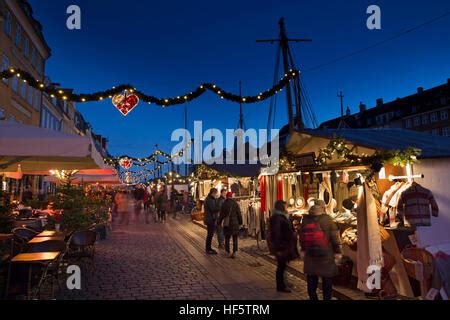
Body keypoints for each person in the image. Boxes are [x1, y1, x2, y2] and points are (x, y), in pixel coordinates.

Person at [299, 200, 342, 300]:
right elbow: (334, 237)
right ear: (323, 208)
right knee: (326, 279)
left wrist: (303, 249)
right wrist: (338, 252)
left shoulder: (306, 219)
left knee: (311, 278)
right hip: (325, 255)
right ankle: (327, 298)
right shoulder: (327, 219)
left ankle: (313, 298)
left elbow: (302, 236)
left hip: (310, 254)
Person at [268, 200, 298, 293]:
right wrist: (279, 247)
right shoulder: (278, 217)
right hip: (282, 245)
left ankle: (283, 283)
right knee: (281, 266)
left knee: (282, 266)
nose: (287, 208)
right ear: (282, 207)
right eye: (285, 206)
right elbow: (277, 233)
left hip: (284, 245)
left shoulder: (281, 216)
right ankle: (281, 286)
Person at [218, 192, 243, 258]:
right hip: (235, 223)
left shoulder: (224, 204)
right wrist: (240, 223)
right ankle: (234, 252)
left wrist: (219, 222)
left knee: (227, 238)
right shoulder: (235, 203)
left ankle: (228, 252)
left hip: (227, 224)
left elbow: (221, 215)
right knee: (235, 238)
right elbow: (239, 214)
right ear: (231, 196)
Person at [203, 188, 220, 255]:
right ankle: (208, 249)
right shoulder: (210, 199)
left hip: (210, 218)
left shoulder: (210, 199)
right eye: (216, 193)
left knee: (210, 234)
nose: (216, 195)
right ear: (213, 193)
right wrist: (219, 207)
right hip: (210, 219)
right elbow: (213, 209)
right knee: (210, 234)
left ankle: (209, 248)